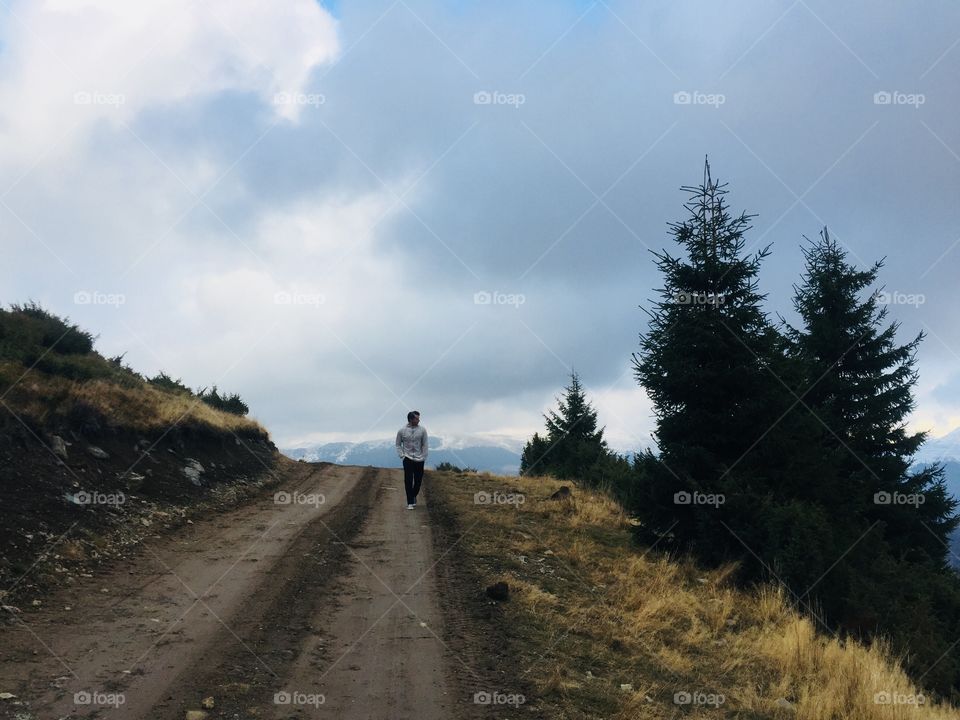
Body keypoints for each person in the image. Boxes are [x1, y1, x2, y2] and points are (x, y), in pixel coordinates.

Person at [396, 410, 427, 509]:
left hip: (419, 459)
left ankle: (413, 495)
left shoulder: (422, 430)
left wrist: (424, 456)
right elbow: (398, 444)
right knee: (408, 480)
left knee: (418, 481)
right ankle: (410, 502)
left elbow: (425, 444)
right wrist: (402, 455)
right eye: (416, 418)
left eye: (418, 418)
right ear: (410, 419)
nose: (418, 420)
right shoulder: (402, 431)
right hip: (408, 458)